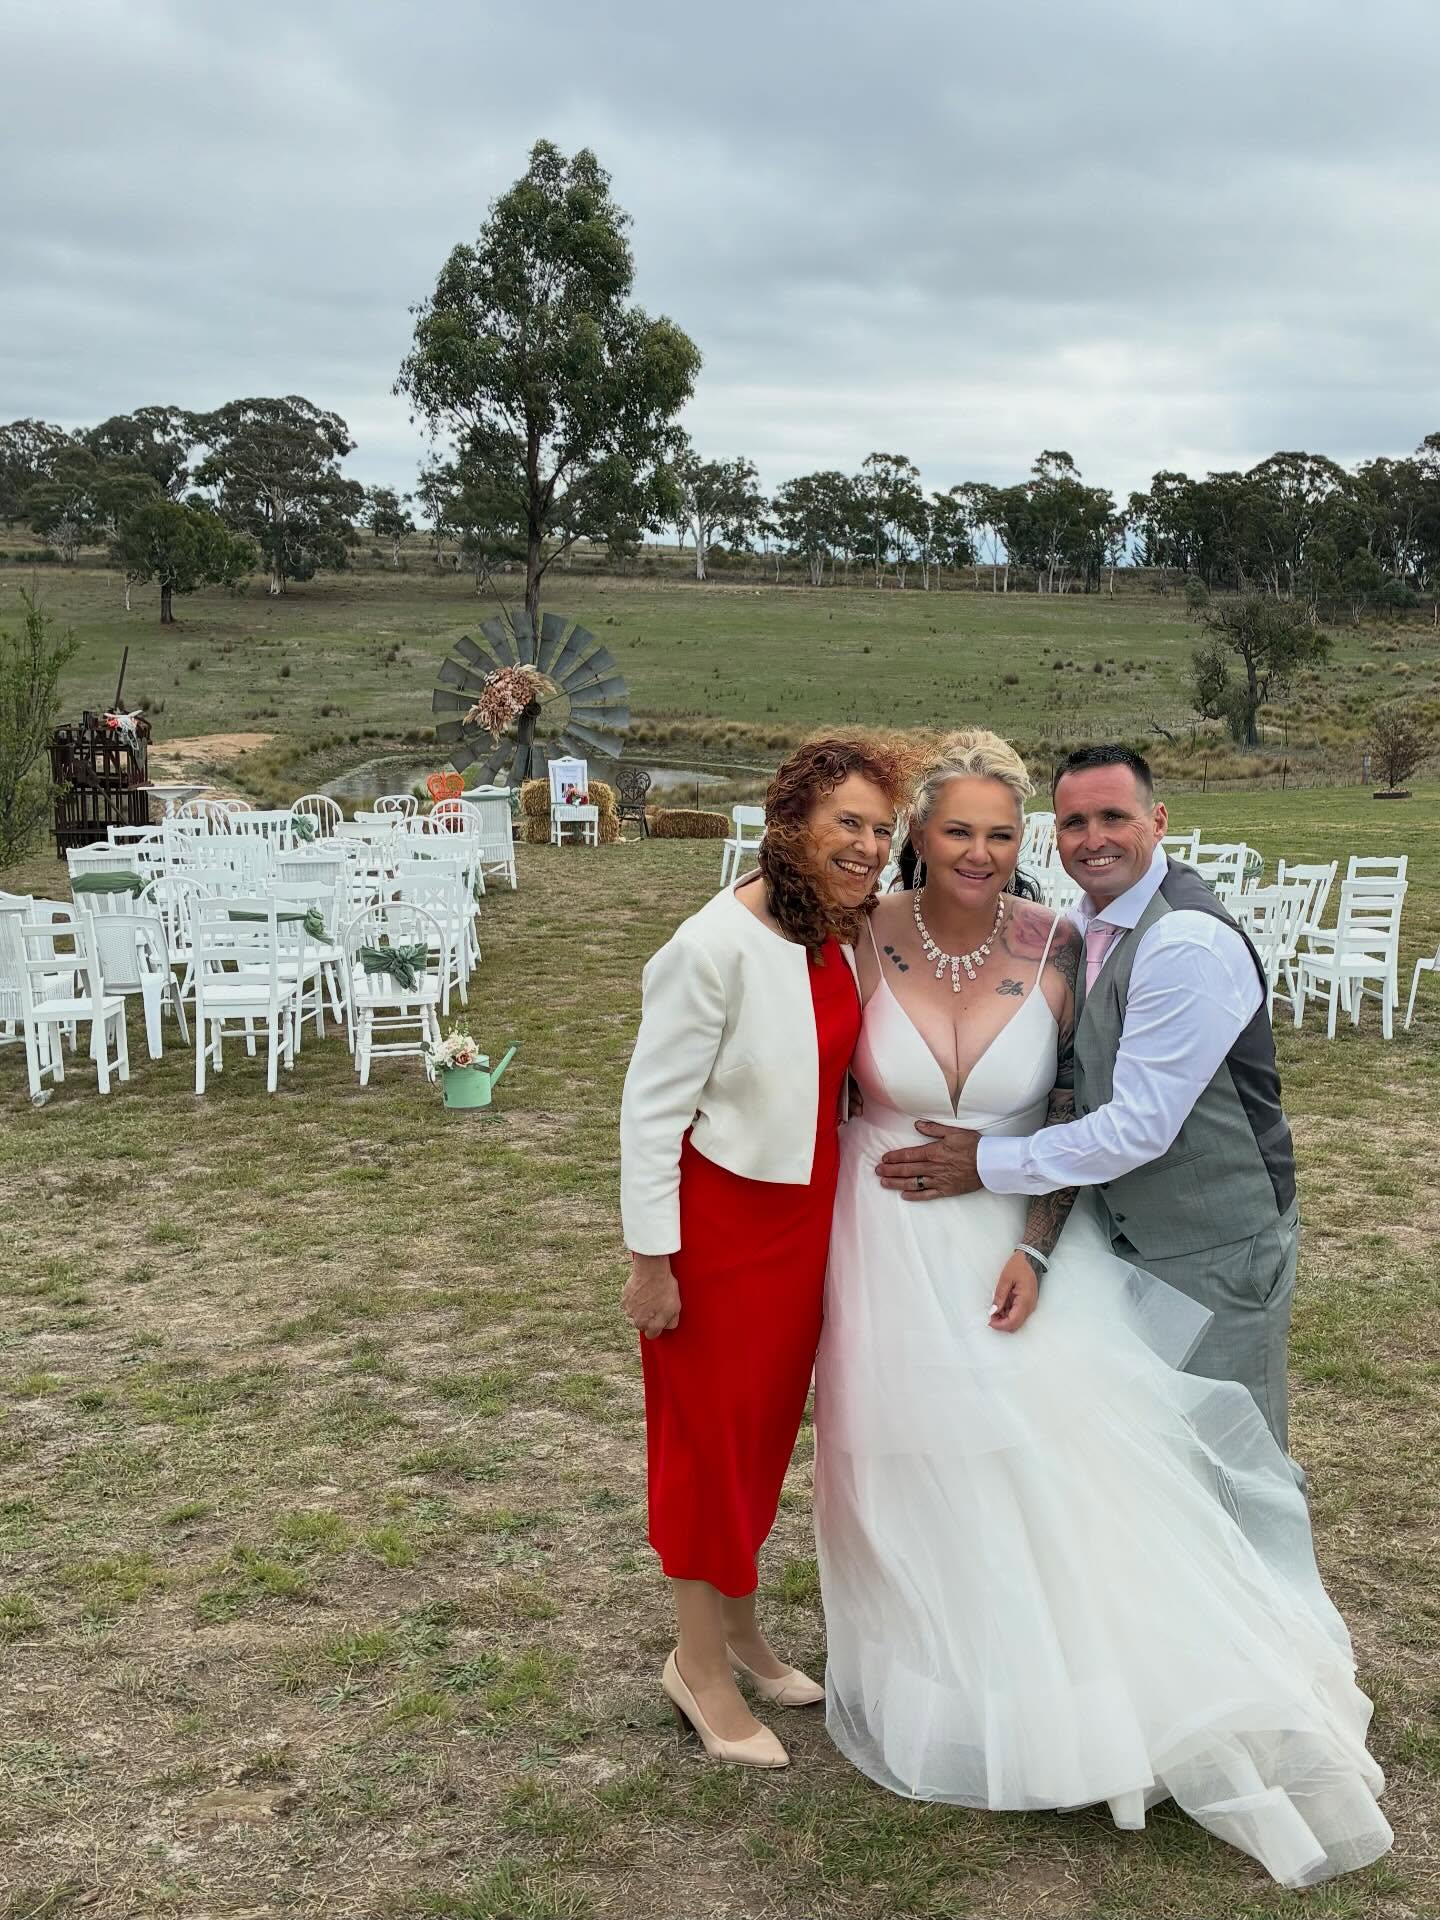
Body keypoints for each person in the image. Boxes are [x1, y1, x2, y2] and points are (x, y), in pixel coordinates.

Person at [815, 729, 1390, 1888]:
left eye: (1008, 830)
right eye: (961, 829)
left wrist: (1023, 1219)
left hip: (1057, 1239)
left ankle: (1204, 1677)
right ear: (918, 836)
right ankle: (946, 1674)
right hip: (877, 1243)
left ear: (1155, 823)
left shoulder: (1093, 941)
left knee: (1087, 1469)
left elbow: (1102, 1110)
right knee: (907, 1465)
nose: (990, 851)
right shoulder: (854, 940)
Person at [875, 742, 1300, 1470]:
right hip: (1119, 1236)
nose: (1093, 839)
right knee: (1154, 1457)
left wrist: (986, 1159)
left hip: (1213, 1244)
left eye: (1114, 817)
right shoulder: (1076, 931)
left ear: (1158, 820)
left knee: (1236, 1461)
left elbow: (1138, 1126)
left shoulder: (1183, 941)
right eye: (1074, 822)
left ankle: (1271, 1586)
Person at [620, 735, 910, 1769]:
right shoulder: (711, 944)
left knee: (758, 1441)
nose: (869, 845)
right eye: (848, 824)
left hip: (802, 1226)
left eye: (881, 828)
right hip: (719, 1233)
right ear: (790, 822)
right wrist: (654, 1259)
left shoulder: (830, 934)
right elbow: (649, 1114)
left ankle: (742, 1634)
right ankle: (696, 1667)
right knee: (706, 1445)